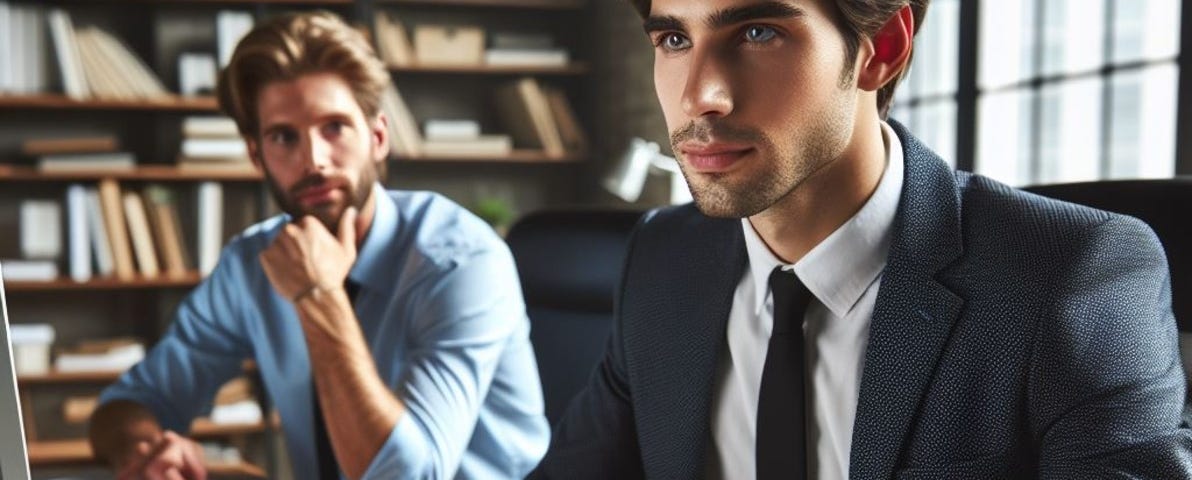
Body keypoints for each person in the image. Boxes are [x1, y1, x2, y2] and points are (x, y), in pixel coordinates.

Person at [531, 0, 1192, 478]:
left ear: (882, 48)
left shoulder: (1072, 273)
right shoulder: (661, 259)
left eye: (758, 31)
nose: (700, 94)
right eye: (674, 39)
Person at [89, 11, 549, 480]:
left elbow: (408, 476)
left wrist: (318, 295)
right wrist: (146, 450)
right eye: (283, 136)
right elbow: (132, 402)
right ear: (256, 155)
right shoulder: (252, 264)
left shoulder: (461, 261)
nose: (313, 159)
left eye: (334, 127)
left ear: (377, 137)